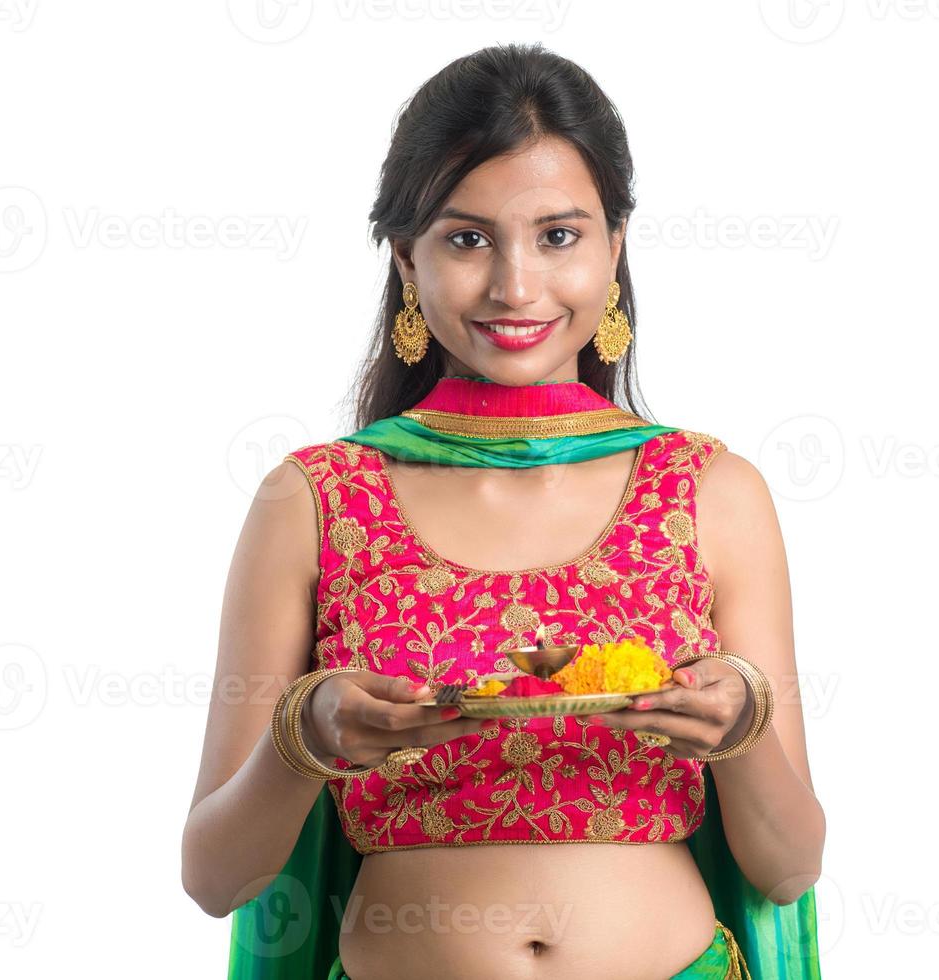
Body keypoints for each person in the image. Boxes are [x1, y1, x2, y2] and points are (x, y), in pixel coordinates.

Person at [183, 43, 825, 979]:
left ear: (615, 248)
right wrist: (304, 740)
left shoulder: (708, 490)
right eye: (467, 238)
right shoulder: (315, 498)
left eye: (558, 236)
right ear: (406, 258)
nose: (515, 286)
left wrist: (741, 733)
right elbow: (215, 879)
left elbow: (790, 864)